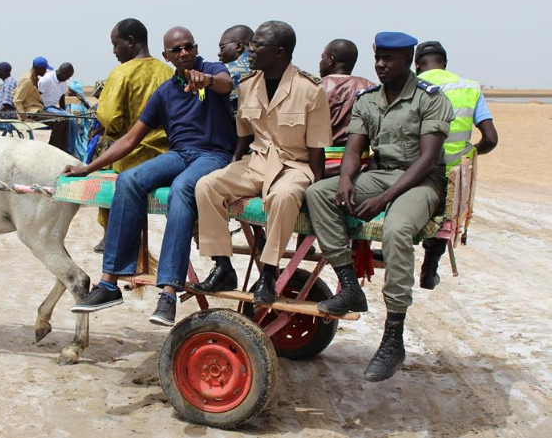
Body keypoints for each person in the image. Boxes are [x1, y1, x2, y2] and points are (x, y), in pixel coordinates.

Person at [304, 32, 453, 382]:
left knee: (397, 229)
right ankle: (349, 286)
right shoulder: (367, 99)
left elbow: (429, 158)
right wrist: (344, 181)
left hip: (420, 181)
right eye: (378, 59)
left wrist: (384, 199)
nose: (382, 65)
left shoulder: (429, 98)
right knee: (318, 194)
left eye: (390, 59)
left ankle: (392, 337)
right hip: (381, 173)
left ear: (408, 61)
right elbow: (355, 148)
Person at [63, 26, 236, 326]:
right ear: (167, 56)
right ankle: (109, 283)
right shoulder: (165, 93)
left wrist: (206, 80)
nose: (184, 53)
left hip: (214, 155)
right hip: (179, 154)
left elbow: (225, 84)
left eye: (189, 47)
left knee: (183, 188)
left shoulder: (211, 70)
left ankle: (168, 292)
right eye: (177, 50)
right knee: (128, 179)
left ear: (195, 49)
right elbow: (130, 139)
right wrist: (88, 167)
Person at [192, 21, 332, 304]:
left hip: (294, 165)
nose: (251, 50)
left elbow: (317, 149)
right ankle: (223, 266)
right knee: (207, 186)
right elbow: (244, 136)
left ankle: (268, 272)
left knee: (283, 196)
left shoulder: (309, 90)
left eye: (258, 45)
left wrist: (315, 192)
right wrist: (230, 168)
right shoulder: (248, 85)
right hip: (256, 161)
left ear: (279, 52)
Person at [414, 41, 498, 289]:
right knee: (445, 212)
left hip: (416, 167)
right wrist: (470, 154)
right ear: (446, 63)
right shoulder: (470, 88)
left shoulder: (411, 86)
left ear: (416, 65)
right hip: (453, 171)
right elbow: (491, 139)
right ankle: (430, 266)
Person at [91, 18, 174, 253]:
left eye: (115, 44)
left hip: (131, 156)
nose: (114, 51)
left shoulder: (121, 73)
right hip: (167, 155)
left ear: (130, 41)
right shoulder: (168, 71)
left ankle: (109, 234)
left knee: (102, 162)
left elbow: (111, 119)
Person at [39, 62, 75, 153]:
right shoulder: (46, 80)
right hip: (44, 107)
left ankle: (70, 147)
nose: (69, 78)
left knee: (72, 119)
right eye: (68, 75)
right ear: (63, 72)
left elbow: (62, 99)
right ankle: (67, 149)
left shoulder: (63, 82)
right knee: (66, 118)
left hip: (53, 107)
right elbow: (37, 96)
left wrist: (64, 110)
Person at [217, 25, 254, 114]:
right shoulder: (267, 68)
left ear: (238, 46)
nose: (219, 53)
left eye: (222, 48)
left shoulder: (227, 71)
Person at [12, 57, 52, 121]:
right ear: (39, 68)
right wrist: (24, 118)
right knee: (59, 121)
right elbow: (17, 100)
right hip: (31, 113)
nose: (46, 71)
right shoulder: (27, 81)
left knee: (62, 119)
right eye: (45, 69)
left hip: (36, 110)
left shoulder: (34, 78)